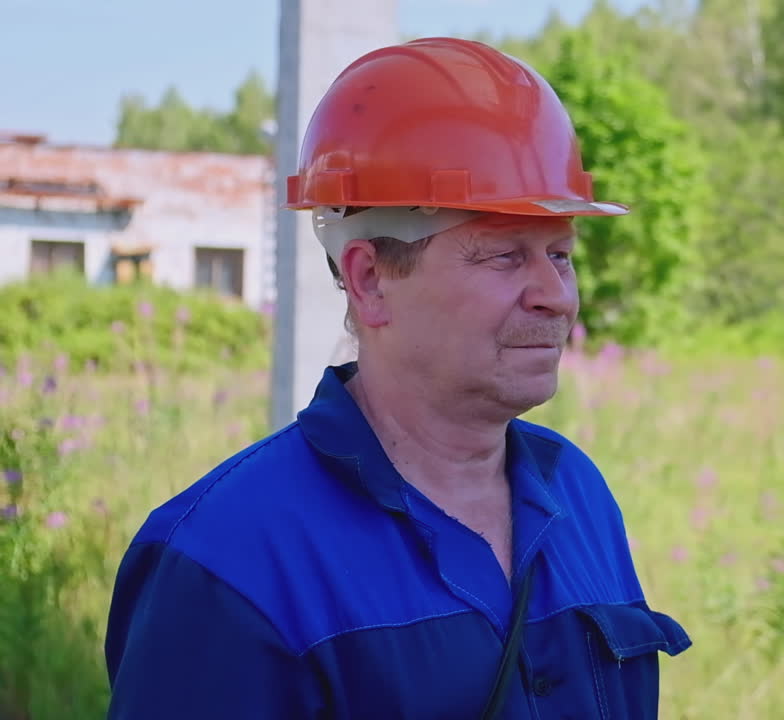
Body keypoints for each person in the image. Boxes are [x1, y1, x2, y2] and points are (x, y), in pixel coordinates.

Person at [103, 37, 690, 719]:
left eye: (560, 254)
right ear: (370, 280)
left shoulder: (579, 497)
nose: (555, 295)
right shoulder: (228, 560)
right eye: (503, 255)